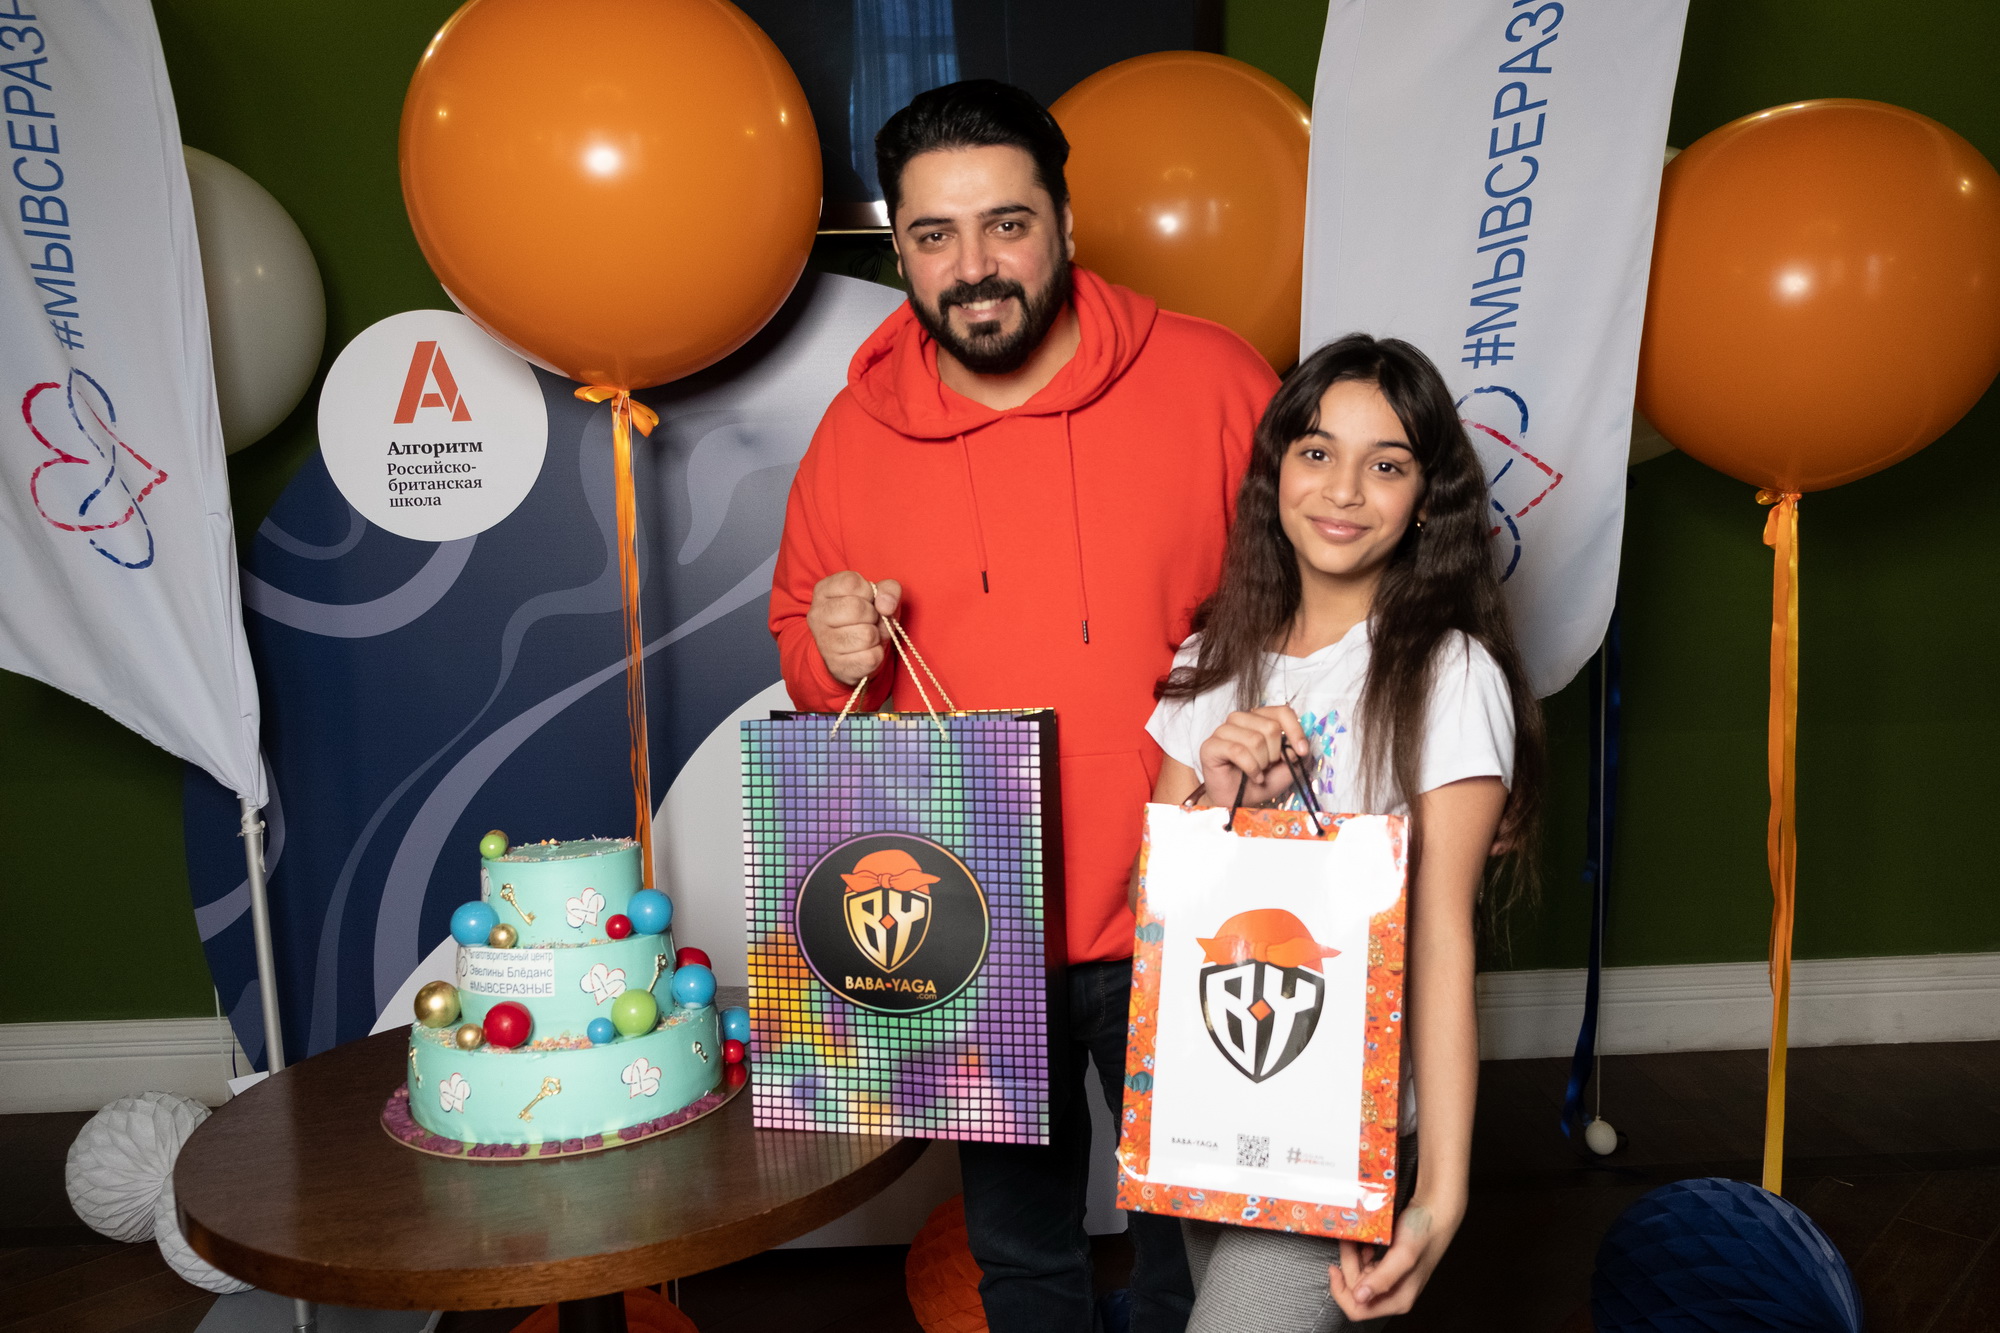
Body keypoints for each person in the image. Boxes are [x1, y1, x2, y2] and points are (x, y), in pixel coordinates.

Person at [770, 80, 1278, 1333]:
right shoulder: (850, 432)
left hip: (1189, 900)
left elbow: (1314, 613)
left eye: (1005, 223)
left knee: (1200, 1250)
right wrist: (829, 647)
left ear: (1063, 221)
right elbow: (802, 649)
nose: (972, 266)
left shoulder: (1214, 378)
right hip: (971, 923)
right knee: (1020, 1255)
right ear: (898, 251)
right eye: (933, 235)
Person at [1144, 334, 1545, 1330]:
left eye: (1387, 464)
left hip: (1334, 1119)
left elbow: (1442, 941)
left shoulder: (1449, 674)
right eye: (1317, 452)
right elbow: (1159, 918)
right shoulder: (1208, 658)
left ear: (1427, 498)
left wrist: (1439, 1193)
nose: (1343, 490)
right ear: (1276, 469)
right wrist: (1220, 800)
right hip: (1205, 1094)